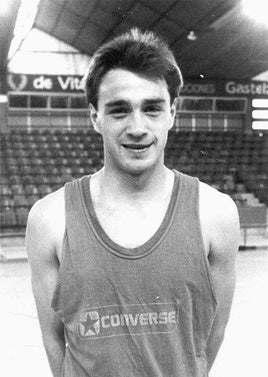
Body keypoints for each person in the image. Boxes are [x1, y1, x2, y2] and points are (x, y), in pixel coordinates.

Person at [25, 28, 240, 377]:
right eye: (119, 110)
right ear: (95, 117)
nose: (137, 127)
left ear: (173, 112)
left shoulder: (216, 214)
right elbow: (54, 340)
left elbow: (209, 339)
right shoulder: (49, 219)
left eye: (152, 109)